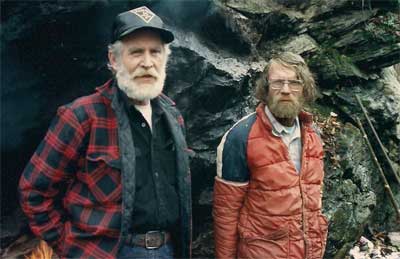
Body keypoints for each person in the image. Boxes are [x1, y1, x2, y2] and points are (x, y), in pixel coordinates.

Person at [18, 6, 191, 259]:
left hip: (167, 250)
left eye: (155, 52)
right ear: (113, 59)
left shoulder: (173, 116)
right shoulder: (81, 116)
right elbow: (33, 190)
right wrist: (68, 245)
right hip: (105, 253)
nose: (147, 62)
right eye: (135, 52)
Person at [213, 52, 328, 259]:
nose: (285, 90)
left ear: (305, 89)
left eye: (294, 82)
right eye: (277, 83)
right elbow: (226, 214)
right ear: (265, 89)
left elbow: (314, 201)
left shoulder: (313, 136)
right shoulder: (241, 137)